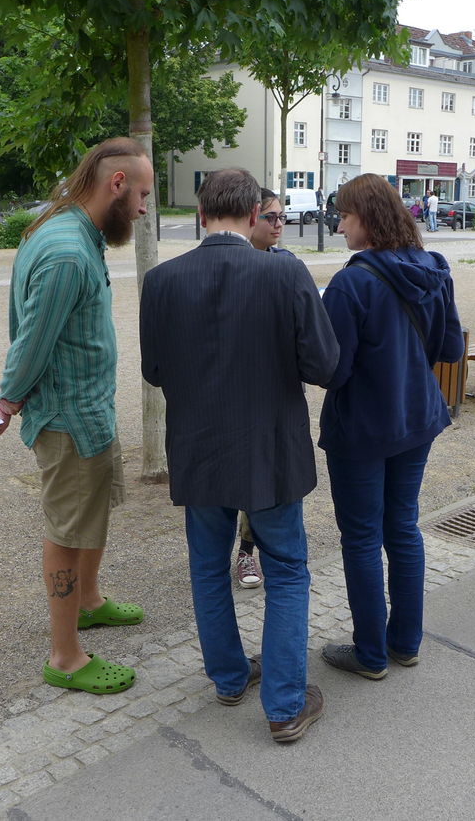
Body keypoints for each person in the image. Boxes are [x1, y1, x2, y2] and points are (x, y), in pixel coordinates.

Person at [140, 168, 338, 743]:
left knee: (207, 568)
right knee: (287, 572)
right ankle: (285, 704)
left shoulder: (162, 280)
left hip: (198, 448)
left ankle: (228, 677)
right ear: (255, 215)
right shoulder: (284, 272)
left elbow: (155, 370)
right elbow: (324, 365)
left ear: (201, 215)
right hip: (269, 450)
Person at [0, 137, 152, 695]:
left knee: (90, 514)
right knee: (67, 532)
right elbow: (33, 339)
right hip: (69, 418)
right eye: (143, 195)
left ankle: (89, 601)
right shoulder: (67, 251)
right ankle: (66, 656)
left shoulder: (70, 228)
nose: (144, 209)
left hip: (88, 410)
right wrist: (6, 402)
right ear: (116, 184)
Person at [319, 173, 464, 680]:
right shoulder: (434, 267)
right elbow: (451, 349)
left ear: (368, 217)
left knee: (361, 537)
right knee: (402, 527)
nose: (339, 227)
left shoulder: (351, 282)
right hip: (417, 417)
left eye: (344, 216)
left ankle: (370, 654)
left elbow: (332, 370)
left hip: (361, 428)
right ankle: (405, 643)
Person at [232, 187, 296, 589]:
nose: (278, 225)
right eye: (270, 217)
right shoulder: (230, 265)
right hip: (238, 389)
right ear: (251, 216)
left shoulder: (286, 263)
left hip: (277, 385)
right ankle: (245, 552)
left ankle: (257, 548)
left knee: (272, 477)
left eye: (282, 217)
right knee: (245, 478)